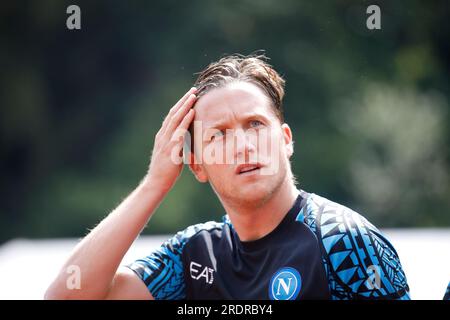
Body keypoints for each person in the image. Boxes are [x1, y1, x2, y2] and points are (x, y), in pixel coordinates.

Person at [45, 54, 410, 300]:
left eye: (254, 125)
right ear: (197, 165)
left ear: (285, 140)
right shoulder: (194, 256)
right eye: (218, 135)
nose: (243, 146)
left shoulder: (342, 241)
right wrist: (154, 185)